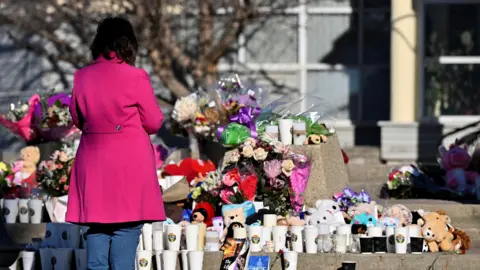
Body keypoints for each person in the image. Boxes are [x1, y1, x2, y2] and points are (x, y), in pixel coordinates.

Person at [66, 17, 165, 270]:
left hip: (94, 160)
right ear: (128, 44)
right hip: (129, 163)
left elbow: (77, 118)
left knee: (97, 227)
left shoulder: (82, 76)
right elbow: (153, 122)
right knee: (126, 229)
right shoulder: (136, 77)